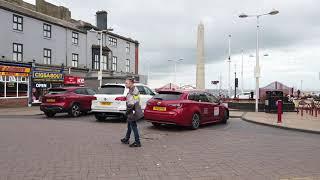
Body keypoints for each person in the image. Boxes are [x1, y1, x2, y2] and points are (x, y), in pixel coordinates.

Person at [121, 77, 144, 147]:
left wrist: (127, 112)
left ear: (131, 83)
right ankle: (127, 138)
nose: (125, 84)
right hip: (133, 110)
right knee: (129, 125)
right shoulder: (133, 89)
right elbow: (136, 100)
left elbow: (131, 104)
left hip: (132, 111)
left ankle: (137, 142)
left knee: (133, 126)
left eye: (126, 83)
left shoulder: (132, 91)